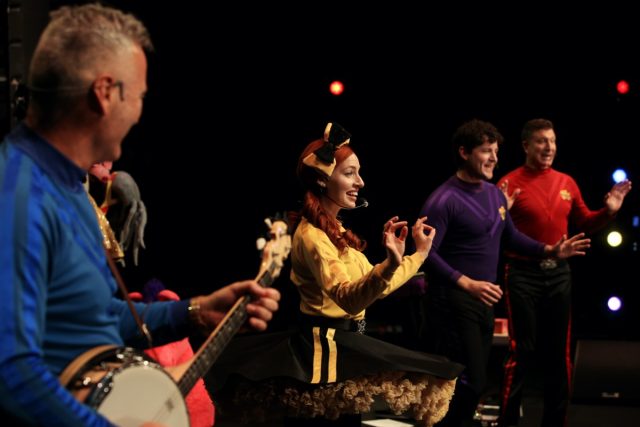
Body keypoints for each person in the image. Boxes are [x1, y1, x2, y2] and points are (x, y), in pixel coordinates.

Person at [0, 4, 280, 426]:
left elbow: (97, 318)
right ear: (105, 92)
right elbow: (11, 371)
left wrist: (194, 312)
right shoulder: (17, 195)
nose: (140, 112)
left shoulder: (71, 190)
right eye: (140, 96)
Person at [208, 122, 464, 427]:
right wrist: (393, 263)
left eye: (358, 172)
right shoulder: (313, 236)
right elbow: (348, 300)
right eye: (350, 173)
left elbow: (375, 288)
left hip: (346, 345)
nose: (361, 181)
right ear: (322, 180)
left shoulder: (337, 232)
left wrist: (415, 254)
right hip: (322, 352)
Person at [417, 119, 591, 427]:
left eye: (496, 151)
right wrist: (466, 283)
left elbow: (510, 235)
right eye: (486, 151)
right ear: (464, 153)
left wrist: (551, 250)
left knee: (474, 382)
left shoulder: (495, 194)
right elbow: (424, 254)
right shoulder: (443, 199)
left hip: (483, 299)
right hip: (453, 301)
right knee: (468, 381)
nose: (495, 158)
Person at [496, 118, 632, 427]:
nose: (549, 147)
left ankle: (556, 422)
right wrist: (499, 211)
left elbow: (586, 222)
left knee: (558, 354)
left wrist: (609, 211)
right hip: (521, 273)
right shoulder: (507, 183)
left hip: (558, 275)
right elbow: (496, 233)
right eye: (542, 141)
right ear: (527, 146)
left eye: (553, 141)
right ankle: (506, 421)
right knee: (522, 352)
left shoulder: (566, 182)